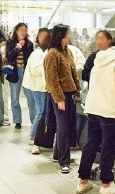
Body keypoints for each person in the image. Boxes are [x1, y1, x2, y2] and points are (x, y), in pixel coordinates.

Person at [76, 30, 115, 194]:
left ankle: (83, 181)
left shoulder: (99, 57)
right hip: (110, 109)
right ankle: (106, 183)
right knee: (109, 147)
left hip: (94, 107)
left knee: (91, 144)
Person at [44, 24, 80, 173]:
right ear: (61, 36)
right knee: (63, 127)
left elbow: (72, 74)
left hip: (70, 93)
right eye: (68, 34)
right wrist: (59, 98)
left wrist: (76, 91)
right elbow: (52, 80)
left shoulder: (67, 51)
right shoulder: (52, 54)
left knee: (67, 125)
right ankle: (64, 161)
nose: (70, 36)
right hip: (60, 95)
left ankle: (58, 153)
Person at [24, 28, 51, 154]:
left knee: (43, 112)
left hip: (42, 86)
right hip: (38, 87)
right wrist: (49, 68)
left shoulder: (44, 52)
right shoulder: (37, 53)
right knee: (41, 112)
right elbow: (35, 70)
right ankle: (33, 136)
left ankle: (37, 137)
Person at [6, 23, 34, 130]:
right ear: (16, 31)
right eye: (21, 30)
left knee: (31, 98)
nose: (23, 32)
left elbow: (31, 59)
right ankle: (17, 121)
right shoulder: (10, 42)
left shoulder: (29, 44)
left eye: (25, 30)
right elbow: (9, 56)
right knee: (14, 98)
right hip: (14, 71)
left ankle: (33, 120)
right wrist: (18, 47)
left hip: (26, 71)